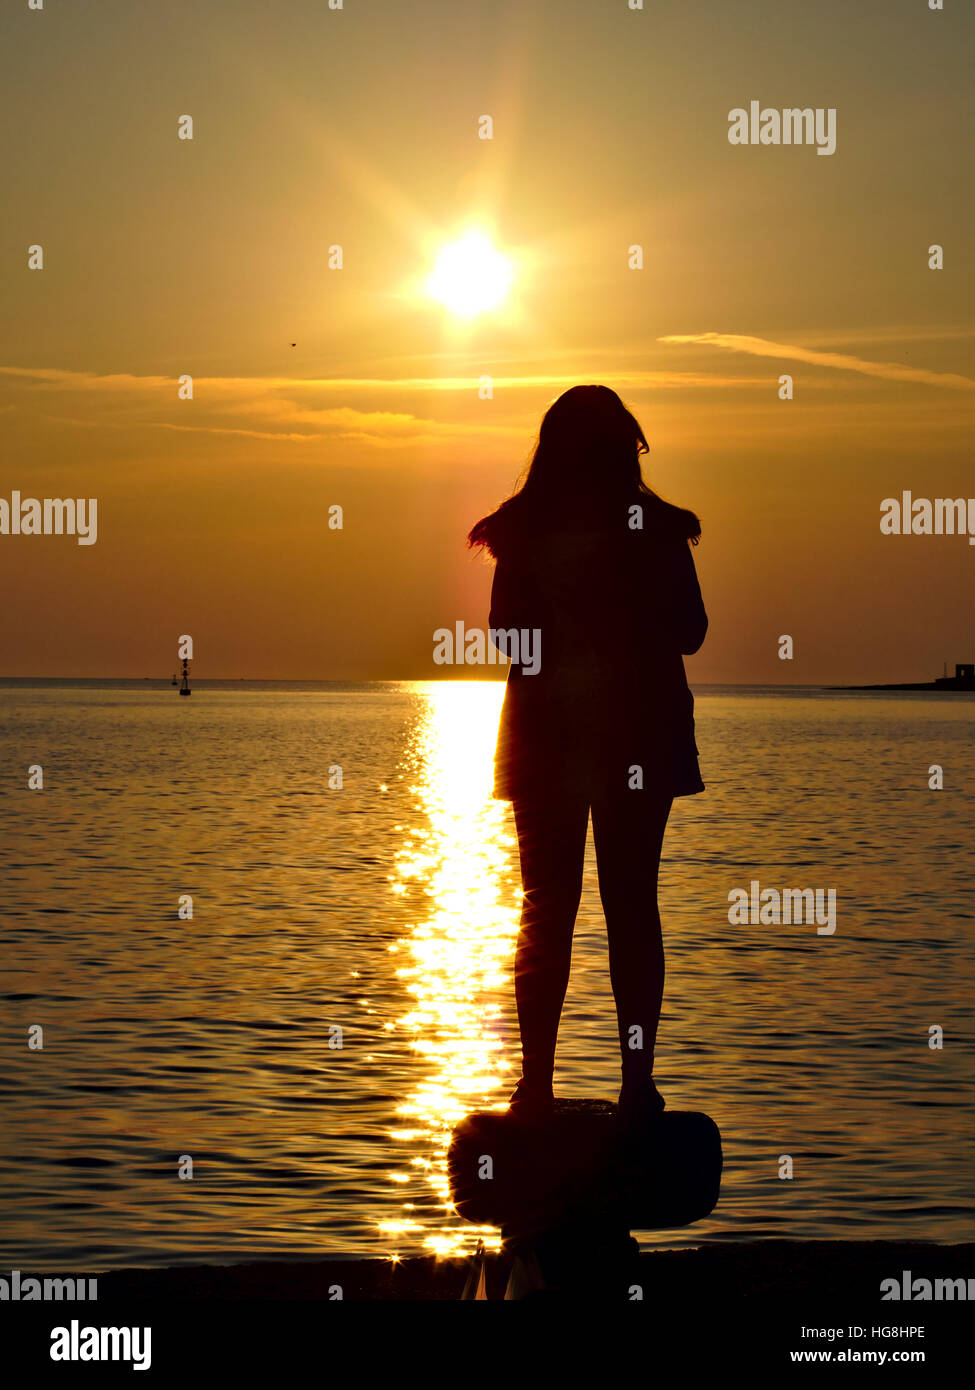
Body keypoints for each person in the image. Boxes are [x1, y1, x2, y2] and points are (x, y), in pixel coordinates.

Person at [467, 385, 708, 1127]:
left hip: (550, 736)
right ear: (622, 448)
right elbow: (691, 630)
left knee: (549, 908)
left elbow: (507, 632)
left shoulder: (522, 530)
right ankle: (635, 1085)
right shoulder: (657, 530)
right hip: (636, 731)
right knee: (630, 906)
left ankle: (534, 1087)